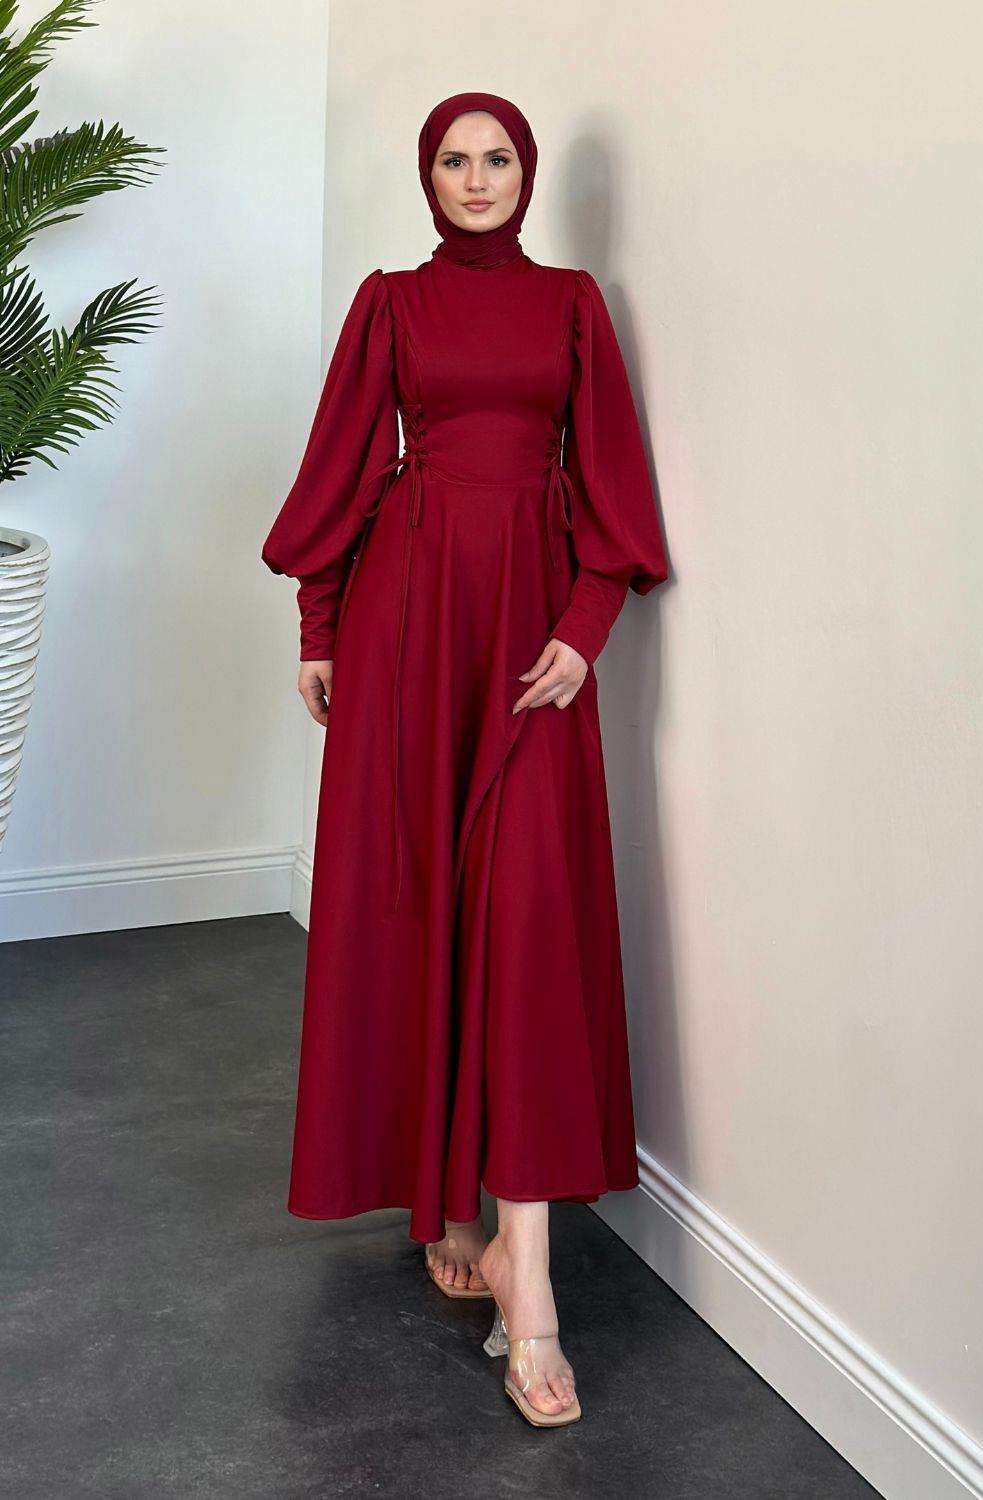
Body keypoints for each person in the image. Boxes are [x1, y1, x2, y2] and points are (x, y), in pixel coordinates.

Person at [261, 90, 669, 1427]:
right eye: (455, 159)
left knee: (527, 925)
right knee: (418, 904)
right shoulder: (390, 304)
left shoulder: (572, 308)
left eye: (498, 158)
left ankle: (524, 1272)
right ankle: (460, 1217)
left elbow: (610, 480)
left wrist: (586, 628)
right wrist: (321, 626)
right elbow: (341, 471)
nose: (478, 177)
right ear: (428, 176)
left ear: (527, 173)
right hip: (409, 625)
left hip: (529, 633)